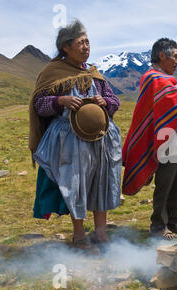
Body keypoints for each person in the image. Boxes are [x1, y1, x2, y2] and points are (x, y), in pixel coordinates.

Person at [29, 20, 122, 249]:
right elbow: (39, 105)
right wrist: (60, 100)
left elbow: (115, 102)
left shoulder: (94, 74)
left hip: (100, 139)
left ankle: (101, 233)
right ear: (65, 47)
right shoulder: (53, 73)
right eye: (81, 43)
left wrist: (105, 101)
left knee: (103, 181)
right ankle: (79, 235)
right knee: (76, 184)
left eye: (87, 42)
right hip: (70, 140)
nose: (86, 47)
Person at [122, 38, 177, 239]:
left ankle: (173, 220)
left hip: (175, 135)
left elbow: (176, 98)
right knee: (164, 181)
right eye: (176, 57)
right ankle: (158, 225)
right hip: (163, 138)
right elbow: (169, 99)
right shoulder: (152, 78)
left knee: (176, 180)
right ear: (162, 55)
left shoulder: (165, 79)